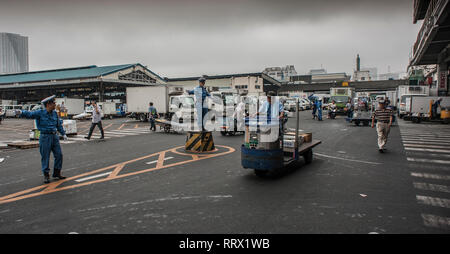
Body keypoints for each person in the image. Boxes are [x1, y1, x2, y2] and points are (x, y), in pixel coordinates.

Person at [17, 95, 68, 183]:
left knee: (59, 155)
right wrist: (21, 112)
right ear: (48, 104)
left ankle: (57, 173)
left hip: (54, 136)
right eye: (53, 103)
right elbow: (29, 114)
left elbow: (58, 125)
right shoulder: (40, 113)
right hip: (45, 137)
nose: (55, 105)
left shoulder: (55, 113)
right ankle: (46, 175)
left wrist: (63, 134)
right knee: (45, 156)